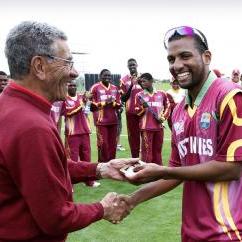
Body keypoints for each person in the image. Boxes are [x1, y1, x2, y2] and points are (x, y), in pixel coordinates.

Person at [0, 21, 137, 241]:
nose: (74, 72)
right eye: (68, 62)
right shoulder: (31, 126)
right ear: (39, 67)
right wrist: (102, 208)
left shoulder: (13, 108)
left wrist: (100, 168)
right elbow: (55, 218)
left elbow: (46, 170)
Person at [121, 26, 242, 242]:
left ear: (206, 57)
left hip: (228, 232)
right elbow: (177, 170)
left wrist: (162, 170)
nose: (176, 65)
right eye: (171, 59)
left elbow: (232, 168)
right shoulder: (178, 111)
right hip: (190, 232)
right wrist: (132, 200)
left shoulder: (230, 96)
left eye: (185, 56)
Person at [63, 80, 100, 187]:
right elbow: (69, 112)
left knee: (86, 157)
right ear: (67, 87)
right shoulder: (64, 99)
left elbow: (91, 108)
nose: (73, 87)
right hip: (72, 133)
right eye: (70, 85)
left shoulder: (81, 97)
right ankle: (70, 184)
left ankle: (89, 181)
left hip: (85, 131)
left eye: (74, 85)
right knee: (72, 159)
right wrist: (82, 103)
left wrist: (90, 101)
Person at [134, 73, 170, 165]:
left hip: (159, 127)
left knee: (157, 151)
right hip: (146, 128)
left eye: (144, 81)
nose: (142, 83)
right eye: (141, 81)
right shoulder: (139, 95)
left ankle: (158, 170)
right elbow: (136, 112)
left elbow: (168, 106)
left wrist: (163, 117)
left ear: (151, 81)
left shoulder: (162, 94)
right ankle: (146, 172)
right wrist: (143, 107)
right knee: (147, 152)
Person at [90, 69, 121, 163]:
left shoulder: (115, 88)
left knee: (113, 144)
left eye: (109, 76)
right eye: (105, 75)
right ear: (100, 76)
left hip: (113, 120)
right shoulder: (95, 88)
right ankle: (102, 164)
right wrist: (105, 103)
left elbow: (119, 103)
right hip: (101, 120)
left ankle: (112, 163)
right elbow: (91, 104)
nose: (107, 77)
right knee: (103, 143)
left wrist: (114, 103)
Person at [120, 58, 142, 157]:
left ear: (137, 65)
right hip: (131, 113)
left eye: (133, 65)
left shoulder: (143, 77)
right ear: (128, 67)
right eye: (130, 65)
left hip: (144, 112)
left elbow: (149, 92)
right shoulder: (124, 80)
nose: (132, 67)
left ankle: (147, 161)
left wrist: (139, 82)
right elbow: (123, 98)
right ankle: (135, 160)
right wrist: (132, 85)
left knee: (147, 136)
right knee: (133, 137)